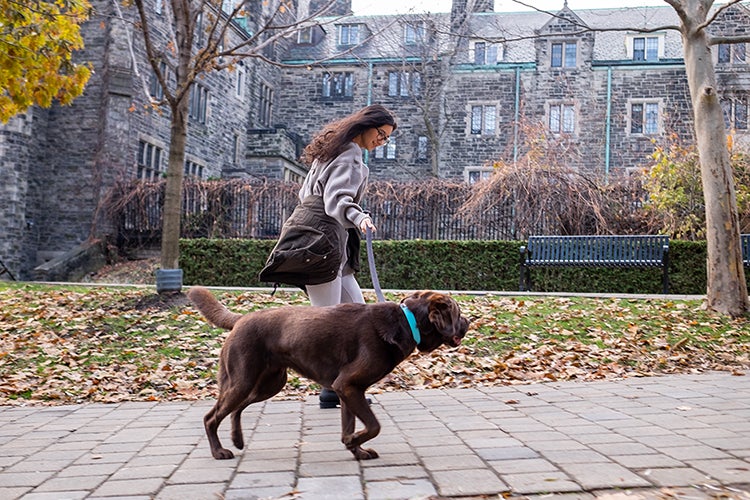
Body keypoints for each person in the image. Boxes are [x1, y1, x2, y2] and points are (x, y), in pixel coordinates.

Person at [299, 104, 397, 407]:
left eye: (386, 139)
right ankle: (332, 389)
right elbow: (336, 200)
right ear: (366, 126)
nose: (381, 142)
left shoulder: (331, 150)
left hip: (325, 248)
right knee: (327, 324)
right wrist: (359, 217)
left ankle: (342, 386)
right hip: (323, 250)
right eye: (381, 134)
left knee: (358, 314)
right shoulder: (350, 153)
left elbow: (306, 196)